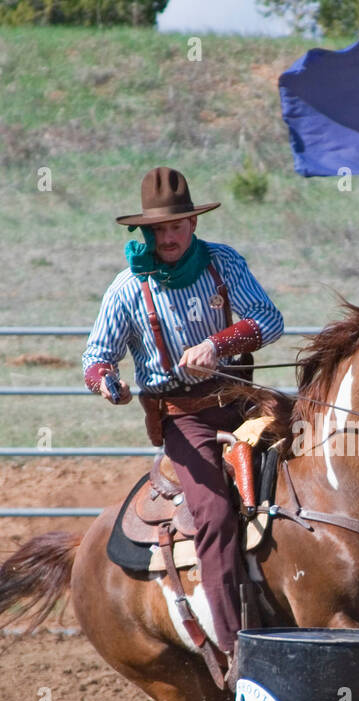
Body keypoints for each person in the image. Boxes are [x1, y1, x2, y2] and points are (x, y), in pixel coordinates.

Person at [82, 167, 284, 664]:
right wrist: (110, 384)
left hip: (242, 399)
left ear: (193, 225)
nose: (168, 237)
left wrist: (218, 345)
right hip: (183, 415)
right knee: (214, 513)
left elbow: (269, 320)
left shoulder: (224, 263)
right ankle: (237, 647)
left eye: (176, 226)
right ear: (144, 233)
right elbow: (96, 358)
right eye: (158, 230)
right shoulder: (128, 288)